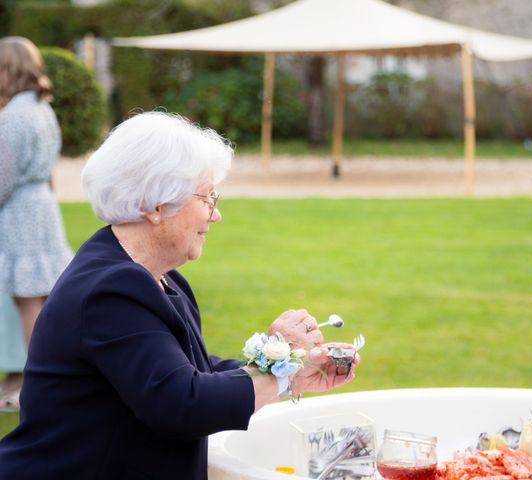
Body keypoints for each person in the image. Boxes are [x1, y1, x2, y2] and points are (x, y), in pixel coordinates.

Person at [0, 111, 359, 479]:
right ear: (155, 206)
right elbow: (181, 404)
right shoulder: (109, 290)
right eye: (206, 197)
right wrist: (276, 374)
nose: (215, 215)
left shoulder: (158, 277)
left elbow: (195, 373)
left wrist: (294, 371)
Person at [0, 36, 73, 409]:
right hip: (43, 204)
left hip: (21, 210)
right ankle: (44, 375)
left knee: (28, 299)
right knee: (42, 298)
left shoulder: (13, 115)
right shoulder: (42, 108)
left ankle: (34, 383)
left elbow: (3, 176)